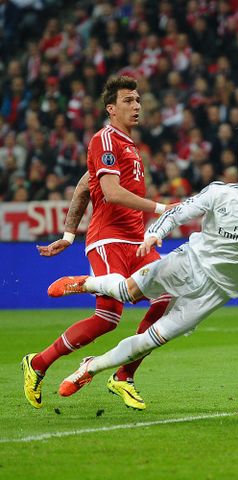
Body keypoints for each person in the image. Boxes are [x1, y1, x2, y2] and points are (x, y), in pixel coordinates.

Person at [47, 144, 238, 398]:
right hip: (188, 262)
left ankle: (89, 368)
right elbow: (179, 214)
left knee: (149, 341)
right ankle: (84, 283)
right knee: (126, 291)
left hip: (218, 290)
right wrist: (154, 234)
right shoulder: (219, 193)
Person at [23, 76, 174, 411]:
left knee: (167, 296)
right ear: (111, 108)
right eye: (128, 101)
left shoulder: (129, 145)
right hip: (109, 239)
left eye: (138, 100)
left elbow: (82, 187)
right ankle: (79, 287)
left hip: (136, 241)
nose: (136, 106)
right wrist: (162, 208)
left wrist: (67, 235)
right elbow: (108, 192)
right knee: (109, 317)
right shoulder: (104, 139)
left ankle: (122, 376)